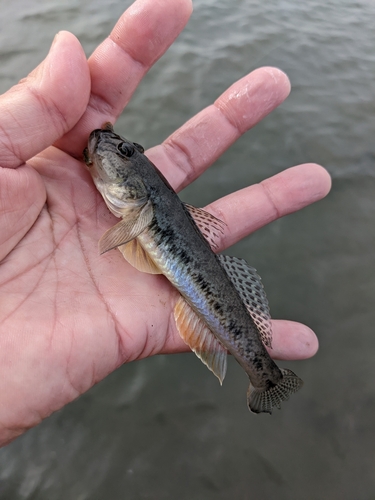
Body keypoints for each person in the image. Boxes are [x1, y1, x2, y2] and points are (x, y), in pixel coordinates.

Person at [0, 0, 331, 446]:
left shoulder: (139, 206)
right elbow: (122, 228)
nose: (110, 148)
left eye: (125, 153)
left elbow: (121, 232)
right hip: (180, 261)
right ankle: (263, 372)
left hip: (201, 285)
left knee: (211, 310)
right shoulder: (133, 201)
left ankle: (263, 374)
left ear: (140, 181)